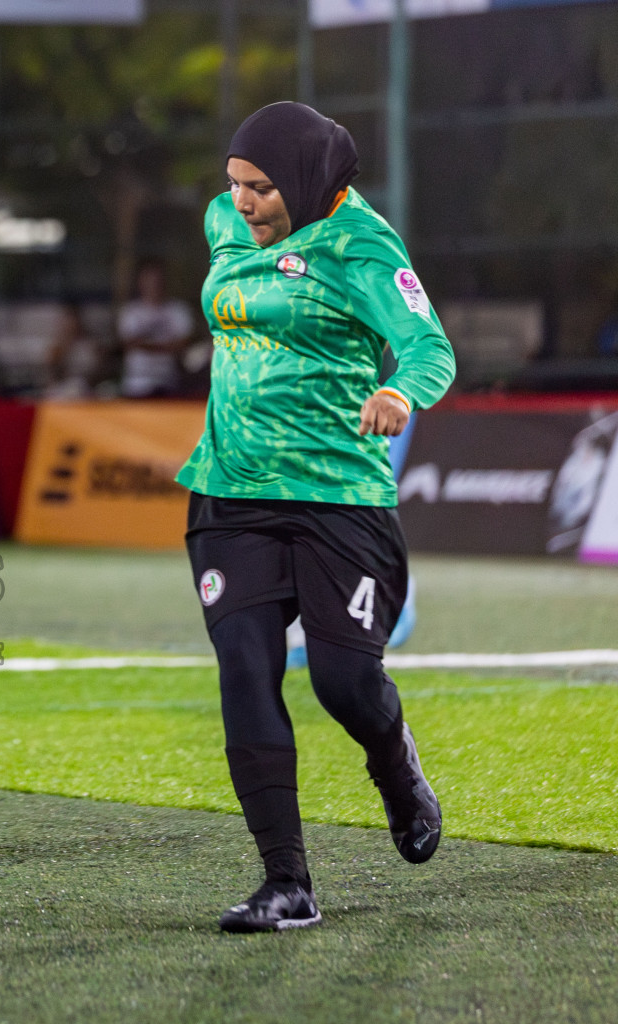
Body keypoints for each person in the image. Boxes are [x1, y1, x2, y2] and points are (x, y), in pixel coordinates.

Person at [175, 102, 456, 932]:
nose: (243, 204)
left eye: (261, 188)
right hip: (230, 492)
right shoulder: (225, 222)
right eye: (235, 185)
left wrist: (400, 390)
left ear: (305, 181)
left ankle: (395, 768)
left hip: (339, 499)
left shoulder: (364, 246)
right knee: (245, 670)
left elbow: (430, 346)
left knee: (344, 684)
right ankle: (286, 883)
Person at [117, 258, 194, 398]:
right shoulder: (130, 311)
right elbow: (129, 343)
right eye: (149, 279)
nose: (154, 284)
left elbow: (184, 343)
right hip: (136, 383)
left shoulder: (178, 310)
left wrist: (145, 344)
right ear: (140, 282)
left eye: (157, 279)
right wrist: (166, 346)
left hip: (169, 382)